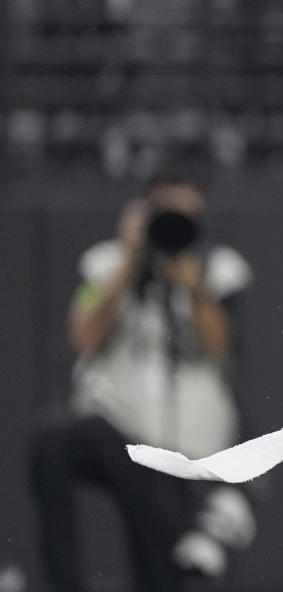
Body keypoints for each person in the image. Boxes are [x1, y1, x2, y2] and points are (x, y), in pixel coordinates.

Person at [28, 171, 255, 592]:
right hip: (115, 428)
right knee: (52, 443)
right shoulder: (106, 264)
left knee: (159, 573)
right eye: (164, 215)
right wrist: (130, 264)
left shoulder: (220, 269)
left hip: (182, 446)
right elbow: (83, 336)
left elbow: (219, 345)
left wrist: (193, 285)